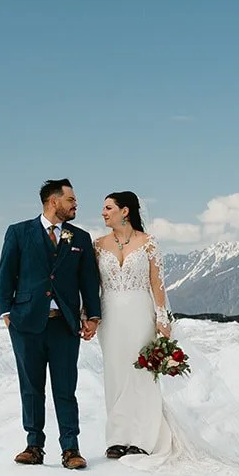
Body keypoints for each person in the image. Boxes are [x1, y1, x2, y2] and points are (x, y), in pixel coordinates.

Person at [0, 179, 103, 471]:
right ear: (53, 201)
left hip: (65, 325)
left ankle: (71, 449)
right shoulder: (18, 232)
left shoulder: (80, 238)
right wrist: (6, 313)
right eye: (71, 200)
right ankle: (34, 447)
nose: (76, 204)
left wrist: (93, 316)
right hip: (25, 324)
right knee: (31, 388)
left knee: (65, 388)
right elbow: (6, 273)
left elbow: (88, 280)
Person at [93, 191, 176, 460]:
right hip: (110, 315)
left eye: (108, 208)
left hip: (141, 312)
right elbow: (92, 286)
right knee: (115, 373)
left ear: (125, 211)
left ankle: (142, 438)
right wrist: (88, 314)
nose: (103, 213)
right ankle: (118, 438)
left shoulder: (148, 243)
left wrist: (162, 317)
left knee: (141, 372)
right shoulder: (98, 245)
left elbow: (157, 282)